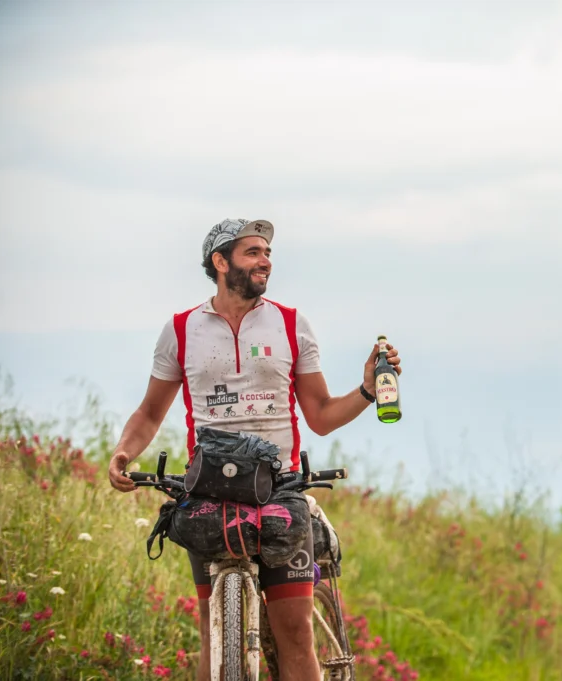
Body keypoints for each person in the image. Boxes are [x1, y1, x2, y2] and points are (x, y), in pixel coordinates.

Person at [107, 218, 402, 681]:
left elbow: (321, 416)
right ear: (220, 262)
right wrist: (123, 452)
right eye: (252, 252)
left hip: (280, 488)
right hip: (208, 490)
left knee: (296, 634)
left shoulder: (289, 323)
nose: (265, 261)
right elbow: (149, 412)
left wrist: (367, 390)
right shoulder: (181, 329)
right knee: (212, 631)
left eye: (267, 253)